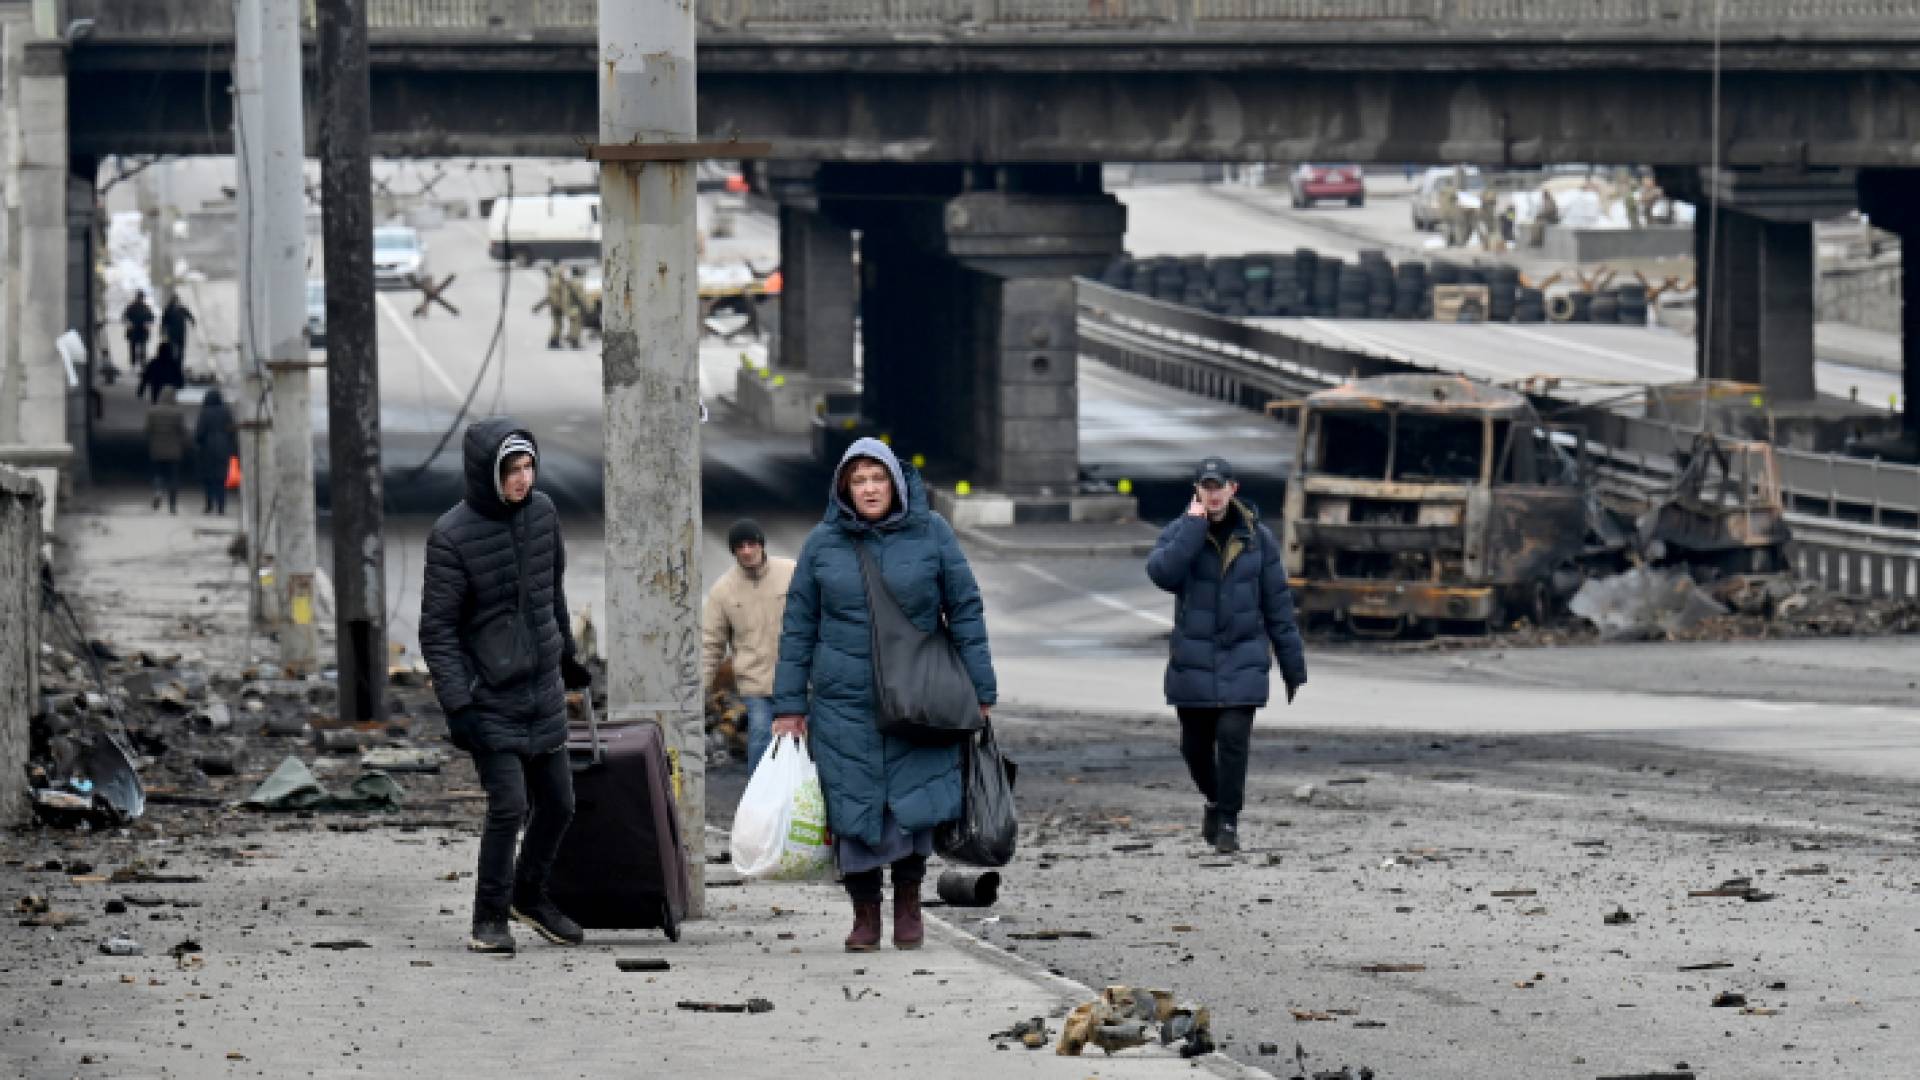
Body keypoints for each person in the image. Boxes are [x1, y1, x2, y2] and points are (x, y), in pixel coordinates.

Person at [772, 437, 995, 953]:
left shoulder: (932, 533)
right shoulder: (822, 544)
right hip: (844, 701)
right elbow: (798, 627)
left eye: (878, 478)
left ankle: (910, 906)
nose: (870, 489)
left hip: (919, 696)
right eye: (859, 479)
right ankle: (865, 915)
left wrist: (981, 690)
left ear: (895, 482)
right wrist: (788, 705)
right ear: (844, 488)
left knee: (912, 807)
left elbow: (965, 610)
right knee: (854, 810)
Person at [419, 419, 595, 955]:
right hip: (488, 694)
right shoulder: (451, 536)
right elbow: (438, 629)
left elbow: (550, 592)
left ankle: (529, 895)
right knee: (508, 806)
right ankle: (488, 918)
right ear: (485, 474)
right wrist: (458, 703)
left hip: (541, 689)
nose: (522, 478)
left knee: (561, 803)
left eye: (527, 466)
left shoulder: (543, 514)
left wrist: (567, 655)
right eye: (510, 469)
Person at [1145, 456, 1307, 856]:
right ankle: (1216, 802)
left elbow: (1278, 606)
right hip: (1194, 661)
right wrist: (1193, 528)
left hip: (1244, 657)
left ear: (1233, 489)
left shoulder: (1259, 539)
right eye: (1206, 486)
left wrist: (1292, 666)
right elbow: (1163, 573)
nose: (1213, 493)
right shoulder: (1181, 532)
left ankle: (1229, 823)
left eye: (1220, 486)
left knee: (1233, 739)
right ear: (1196, 491)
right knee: (1194, 748)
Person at [701, 518, 796, 775]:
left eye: (751, 544)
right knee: (761, 740)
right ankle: (758, 802)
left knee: (806, 744)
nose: (746, 550)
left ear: (761, 545)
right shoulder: (723, 591)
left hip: (798, 679)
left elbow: (822, 618)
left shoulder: (791, 572)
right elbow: (711, 643)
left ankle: (806, 803)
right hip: (756, 683)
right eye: (739, 546)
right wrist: (701, 689)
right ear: (733, 551)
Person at [144, 387, 188, 514]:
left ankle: (158, 491)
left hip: (157, 450)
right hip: (174, 451)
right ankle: (172, 506)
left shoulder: (152, 412)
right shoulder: (177, 413)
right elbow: (182, 431)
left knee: (158, 474)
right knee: (173, 477)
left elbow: (147, 430)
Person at [193, 387, 236, 515]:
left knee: (208, 478)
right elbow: (231, 430)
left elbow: (199, 432)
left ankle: (209, 504)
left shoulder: (205, 413)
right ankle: (221, 506)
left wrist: (198, 443)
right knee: (221, 478)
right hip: (223, 447)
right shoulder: (226, 412)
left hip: (208, 448)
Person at [160, 294, 196, 368]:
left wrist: (193, 321)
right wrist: (163, 331)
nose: (177, 303)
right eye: (175, 301)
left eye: (178, 301)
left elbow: (190, 315)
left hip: (181, 333)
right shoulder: (168, 310)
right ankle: (172, 364)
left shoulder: (182, 309)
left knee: (181, 349)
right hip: (172, 333)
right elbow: (164, 322)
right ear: (172, 302)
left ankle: (179, 364)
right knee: (173, 349)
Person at [122, 291, 155, 370]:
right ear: (137, 297)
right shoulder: (131, 307)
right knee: (133, 348)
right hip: (133, 331)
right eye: (140, 297)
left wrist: (148, 323)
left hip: (143, 331)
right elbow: (124, 317)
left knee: (143, 348)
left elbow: (151, 317)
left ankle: (143, 364)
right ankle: (133, 364)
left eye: (142, 298)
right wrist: (129, 323)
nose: (141, 299)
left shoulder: (146, 307)